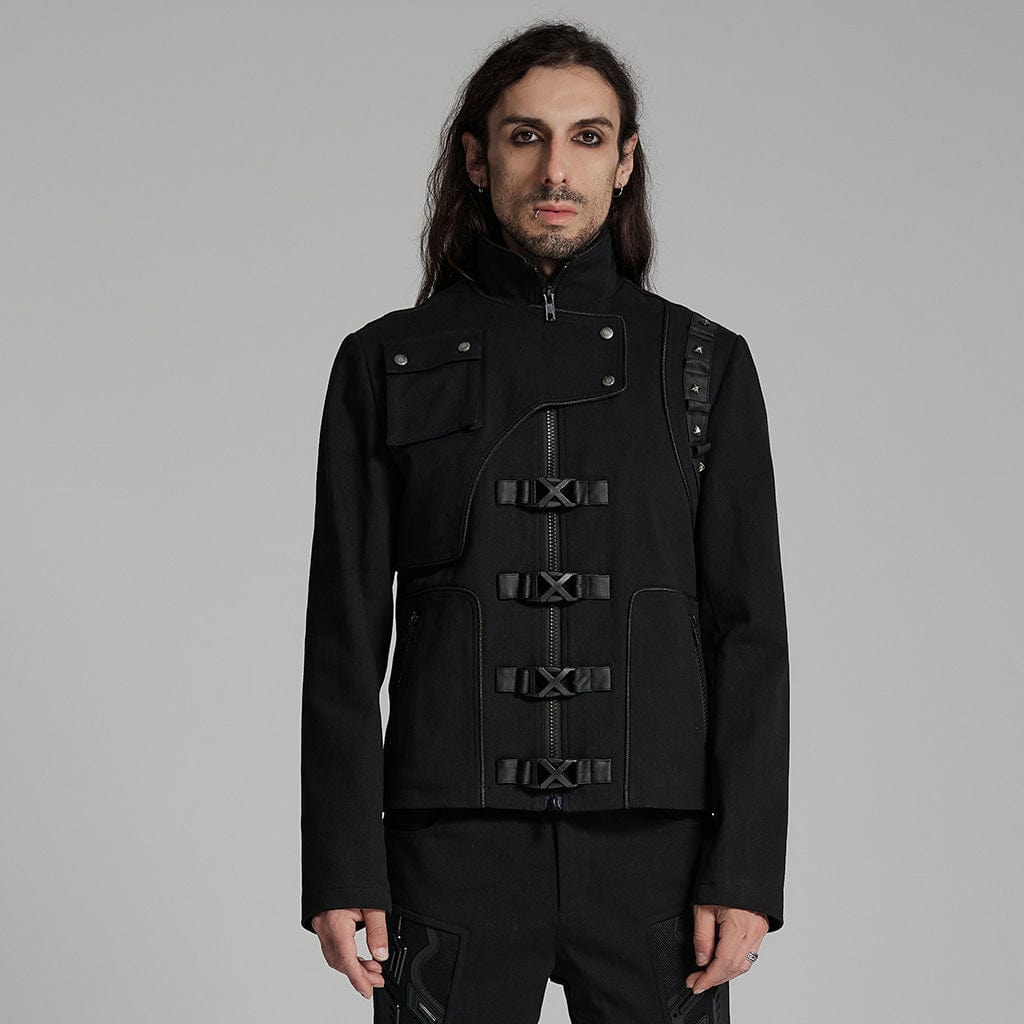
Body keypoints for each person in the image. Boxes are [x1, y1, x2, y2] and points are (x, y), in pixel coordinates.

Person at [300, 20, 790, 1024]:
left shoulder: (704, 365)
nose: (556, 168)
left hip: (657, 859)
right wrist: (341, 863)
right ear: (478, 160)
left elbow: (749, 633)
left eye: (587, 137)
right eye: (526, 136)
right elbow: (342, 637)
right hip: (449, 851)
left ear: (624, 162)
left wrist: (745, 867)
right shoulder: (385, 362)